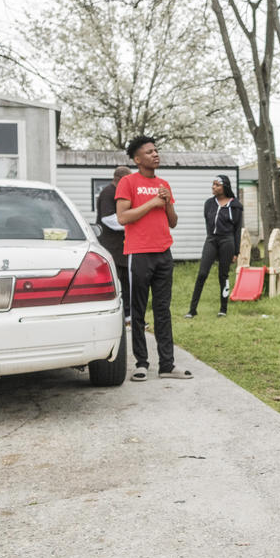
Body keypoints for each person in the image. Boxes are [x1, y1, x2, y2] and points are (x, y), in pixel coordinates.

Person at [115, 136, 192, 382]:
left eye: (156, 150)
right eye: (149, 152)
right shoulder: (128, 182)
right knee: (137, 310)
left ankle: (167, 365)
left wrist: (167, 202)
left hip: (163, 253)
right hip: (138, 253)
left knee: (163, 310)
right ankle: (141, 363)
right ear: (137, 159)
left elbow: (173, 222)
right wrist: (153, 202)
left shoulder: (163, 183)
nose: (155, 154)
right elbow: (123, 217)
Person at [185, 174, 243, 318]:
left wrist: (236, 252)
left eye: (217, 185)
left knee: (223, 275)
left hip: (227, 241)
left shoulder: (235, 205)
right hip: (211, 240)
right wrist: (212, 239)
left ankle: (223, 309)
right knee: (202, 273)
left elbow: (237, 230)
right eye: (213, 184)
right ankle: (192, 310)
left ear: (225, 187)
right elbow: (207, 223)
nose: (213, 187)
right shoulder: (209, 203)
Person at [96, 165, 132, 325]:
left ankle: (128, 316)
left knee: (126, 280)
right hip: (110, 245)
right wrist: (131, 224)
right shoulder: (108, 193)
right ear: (121, 179)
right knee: (115, 281)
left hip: (122, 246)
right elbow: (108, 218)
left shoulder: (120, 193)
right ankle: (116, 316)